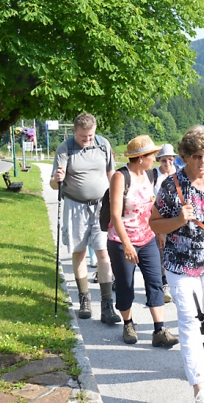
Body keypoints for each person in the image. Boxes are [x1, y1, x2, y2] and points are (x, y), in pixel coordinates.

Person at [150, 125, 204, 403]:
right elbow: (154, 223)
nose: (203, 162)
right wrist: (178, 220)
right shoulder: (171, 185)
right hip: (180, 267)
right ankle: (199, 387)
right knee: (188, 321)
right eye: (197, 156)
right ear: (185, 156)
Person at [107, 135, 179, 347]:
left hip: (147, 238)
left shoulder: (150, 175)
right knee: (125, 285)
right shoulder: (121, 177)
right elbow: (114, 215)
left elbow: (151, 207)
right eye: (151, 155)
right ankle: (128, 323)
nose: (155, 158)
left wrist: (159, 231)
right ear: (140, 158)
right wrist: (127, 244)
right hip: (121, 240)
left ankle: (159, 330)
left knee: (155, 283)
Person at [50, 113, 118, 323]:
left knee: (103, 254)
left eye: (90, 135)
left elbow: (111, 173)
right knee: (79, 253)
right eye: (83, 136)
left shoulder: (102, 145)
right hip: (75, 206)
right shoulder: (65, 148)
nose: (87, 140)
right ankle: (84, 299)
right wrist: (57, 179)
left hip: (100, 207)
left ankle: (107, 304)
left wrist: (116, 199)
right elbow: (54, 184)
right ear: (74, 132)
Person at [154, 143, 178, 303]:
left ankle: (174, 284)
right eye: (164, 160)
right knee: (161, 252)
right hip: (159, 220)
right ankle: (164, 284)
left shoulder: (180, 173)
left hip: (176, 220)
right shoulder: (154, 175)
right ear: (159, 161)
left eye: (170, 159)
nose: (168, 163)